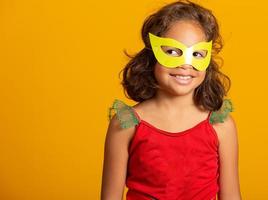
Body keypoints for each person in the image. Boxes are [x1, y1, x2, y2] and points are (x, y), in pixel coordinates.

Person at [101, 1, 242, 199]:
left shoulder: (221, 125)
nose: (186, 64)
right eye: (172, 52)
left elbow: (231, 196)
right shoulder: (126, 124)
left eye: (197, 54)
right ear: (152, 55)